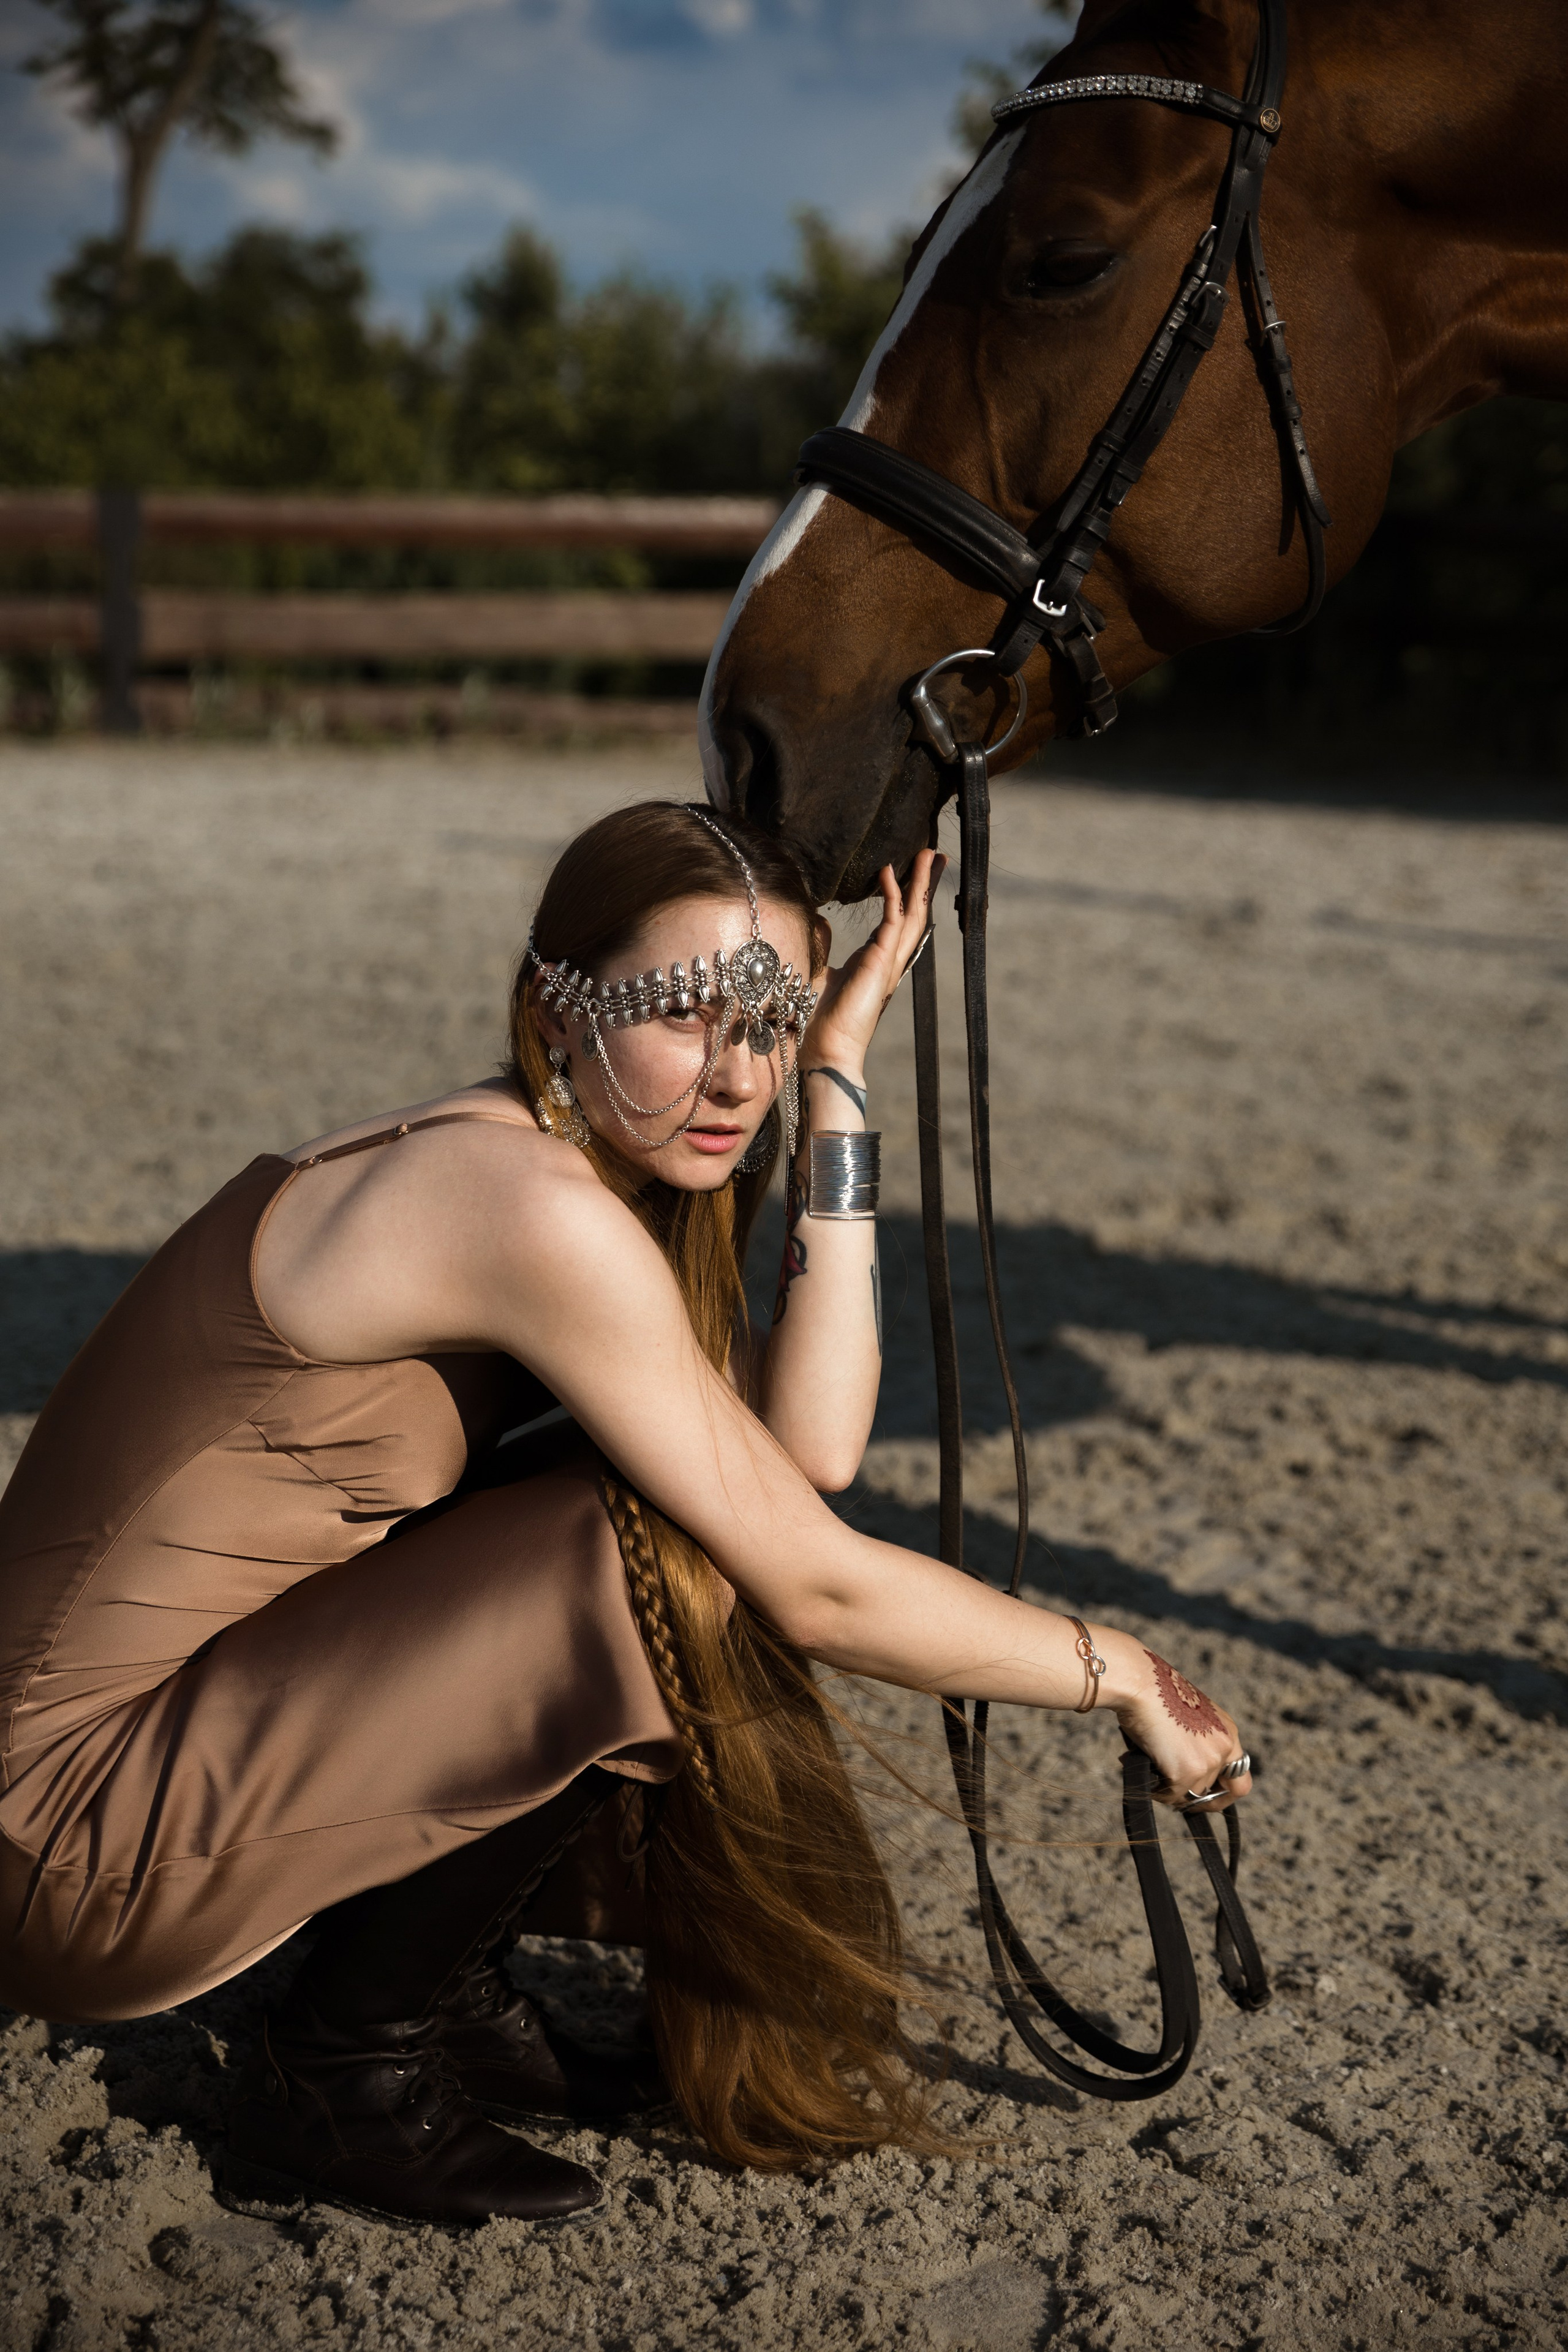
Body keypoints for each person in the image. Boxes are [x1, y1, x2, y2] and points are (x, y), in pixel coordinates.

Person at [0, 800, 1251, 2231]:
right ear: (557, 1002)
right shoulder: (520, 1206)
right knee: (668, 1560)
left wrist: (839, 1076)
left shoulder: (560, 1157)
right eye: (684, 1014)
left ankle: (444, 1988)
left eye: (773, 1022)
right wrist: (1115, 1673)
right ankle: (336, 2069)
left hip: (137, 1751)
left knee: (669, 1505)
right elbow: (812, 1581)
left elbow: (809, 1451)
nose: (735, 1075)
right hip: (59, 1839)